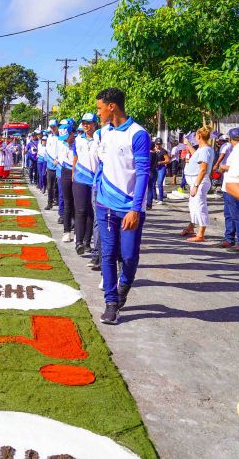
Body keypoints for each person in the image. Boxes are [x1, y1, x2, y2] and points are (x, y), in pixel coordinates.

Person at [94, 88, 150, 325]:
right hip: (105, 205)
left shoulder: (138, 134)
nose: (97, 113)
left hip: (129, 208)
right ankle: (110, 302)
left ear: (111, 107)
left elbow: (143, 173)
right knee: (107, 254)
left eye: (99, 108)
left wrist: (135, 209)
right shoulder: (103, 133)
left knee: (127, 256)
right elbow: (102, 166)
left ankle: (123, 287)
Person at [181, 126, 214, 242]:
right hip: (195, 181)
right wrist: (188, 145)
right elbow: (196, 156)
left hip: (198, 181)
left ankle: (201, 234)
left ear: (199, 136)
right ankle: (191, 227)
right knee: (193, 205)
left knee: (200, 206)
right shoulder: (202, 149)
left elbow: (203, 169)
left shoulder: (205, 150)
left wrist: (196, 185)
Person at [73, 113, 99, 256]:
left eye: (89, 122)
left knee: (91, 212)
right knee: (81, 210)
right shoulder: (78, 140)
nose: (86, 125)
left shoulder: (99, 139)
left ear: (95, 124)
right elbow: (75, 159)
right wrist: (72, 176)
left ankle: (87, 242)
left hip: (94, 181)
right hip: (80, 180)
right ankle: (79, 242)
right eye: (84, 122)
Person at [218, 128, 239, 250]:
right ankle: (229, 238)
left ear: (230, 138)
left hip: (235, 186)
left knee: (238, 216)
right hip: (228, 187)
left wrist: (223, 167)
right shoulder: (236, 149)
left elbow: (237, 168)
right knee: (229, 215)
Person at [57, 119, 77, 243]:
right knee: (67, 202)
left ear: (71, 134)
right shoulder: (62, 143)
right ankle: (67, 231)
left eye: (66, 137)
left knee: (78, 204)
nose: (64, 140)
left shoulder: (78, 142)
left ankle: (78, 232)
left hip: (77, 173)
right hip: (65, 172)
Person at [147, 138, 170, 208]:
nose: (158, 145)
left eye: (159, 144)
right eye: (157, 144)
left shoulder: (163, 151)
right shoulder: (154, 151)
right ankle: (154, 197)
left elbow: (168, 160)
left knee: (159, 183)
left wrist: (160, 162)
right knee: (153, 184)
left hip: (161, 168)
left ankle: (161, 199)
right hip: (154, 168)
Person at [44, 119, 60, 209]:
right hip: (51, 165)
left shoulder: (62, 137)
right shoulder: (49, 137)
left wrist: (58, 160)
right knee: (50, 186)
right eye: (51, 127)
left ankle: (57, 200)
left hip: (60, 165)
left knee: (57, 186)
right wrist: (52, 160)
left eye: (54, 126)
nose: (53, 128)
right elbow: (47, 151)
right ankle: (49, 203)